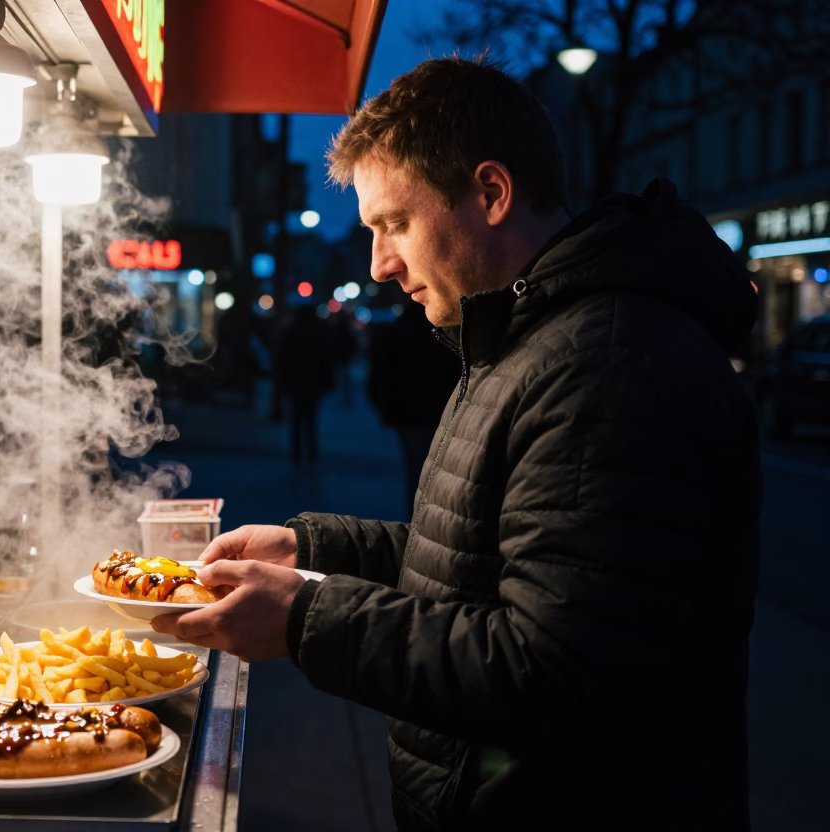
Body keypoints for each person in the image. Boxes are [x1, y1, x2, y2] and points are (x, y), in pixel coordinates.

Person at [152, 56, 759, 831]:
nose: (378, 265)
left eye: (394, 224)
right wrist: (310, 548)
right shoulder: (530, 336)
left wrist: (308, 616)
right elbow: (486, 558)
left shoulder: (609, 363)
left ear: (492, 193)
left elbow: (556, 667)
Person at [367, 298, 461, 509]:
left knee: (416, 471)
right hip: (440, 410)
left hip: (408, 412)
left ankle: (416, 520)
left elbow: (382, 373)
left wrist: (386, 406)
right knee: (443, 471)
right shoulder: (442, 335)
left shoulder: (397, 331)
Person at [274, 303, 335, 468]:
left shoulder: (292, 332)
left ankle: (296, 455)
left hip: (295, 382)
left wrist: (283, 381)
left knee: (296, 420)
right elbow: (327, 359)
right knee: (311, 420)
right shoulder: (319, 332)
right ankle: (311, 454)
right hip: (313, 383)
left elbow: (282, 358)